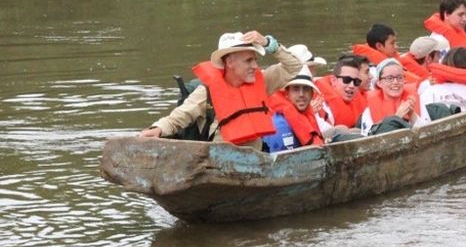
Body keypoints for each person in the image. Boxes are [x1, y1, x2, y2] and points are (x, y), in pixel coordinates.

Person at [139, 31, 303, 150]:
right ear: (230, 62)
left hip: (255, 163)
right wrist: (157, 129)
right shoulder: (207, 92)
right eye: (249, 61)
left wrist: (270, 44)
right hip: (219, 165)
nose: (255, 66)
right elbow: (176, 119)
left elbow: (294, 67)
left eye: (255, 60)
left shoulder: (263, 81)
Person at [264, 67, 327, 151]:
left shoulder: (307, 115)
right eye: (296, 89)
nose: (301, 94)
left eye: (306, 89)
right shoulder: (280, 125)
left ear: (312, 94)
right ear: (286, 93)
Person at [359, 58, 421, 136]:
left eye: (399, 77)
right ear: (379, 83)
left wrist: (412, 115)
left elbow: (427, 132)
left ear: (404, 80)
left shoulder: (417, 100)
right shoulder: (369, 111)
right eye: (389, 78)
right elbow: (369, 140)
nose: (395, 82)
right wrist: (396, 118)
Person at [315, 55, 368, 129]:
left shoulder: (361, 101)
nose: (352, 85)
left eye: (356, 82)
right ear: (334, 81)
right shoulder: (320, 105)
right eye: (347, 80)